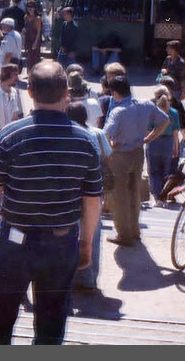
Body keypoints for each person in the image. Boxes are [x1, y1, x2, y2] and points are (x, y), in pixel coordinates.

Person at [0, 61, 102, 345]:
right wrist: (86, 244)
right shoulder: (86, 142)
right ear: (66, 93)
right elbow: (92, 201)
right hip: (62, 244)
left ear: (30, 92)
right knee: (51, 322)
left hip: (14, 243)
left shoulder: (8, 136)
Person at [103, 75, 169, 245]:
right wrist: (150, 138)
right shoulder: (145, 104)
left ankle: (124, 235)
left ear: (115, 92)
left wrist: (110, 147)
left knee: (118, 196)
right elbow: (164, 120)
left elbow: (105, 135)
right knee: (134, 193)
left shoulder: (118, 111)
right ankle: (134, 231)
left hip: (120, 156)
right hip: (138, 153)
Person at [67, 101, 111, 292]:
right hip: (95, 191)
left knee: (73, 234)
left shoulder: (69, 135)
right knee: (93, 234)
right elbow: (108, 158)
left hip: (73, 192)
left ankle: (74, 277)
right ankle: (89, 278)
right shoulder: (98, 133)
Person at [146, 87, 178, 204]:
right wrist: (176, 148)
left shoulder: (152, 112)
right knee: (165, 170)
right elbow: (175, 133)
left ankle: (157, 197)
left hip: (154, 142)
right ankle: (165, 195)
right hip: (168, 143)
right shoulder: (174, 113)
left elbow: (148, 131)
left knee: (154, 171)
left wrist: (146, 141)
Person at [23, 0, 43, 69]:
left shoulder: (37, 18)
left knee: (34, 58)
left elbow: (38, 31)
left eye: (31, 7)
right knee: (28, 58)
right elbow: (26, 28)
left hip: (35, 40)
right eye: (28, 7)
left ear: (34, 8)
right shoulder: (26, 17)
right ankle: (29, 73)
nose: (30, 9)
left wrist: (35, 43)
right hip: (28, 39)